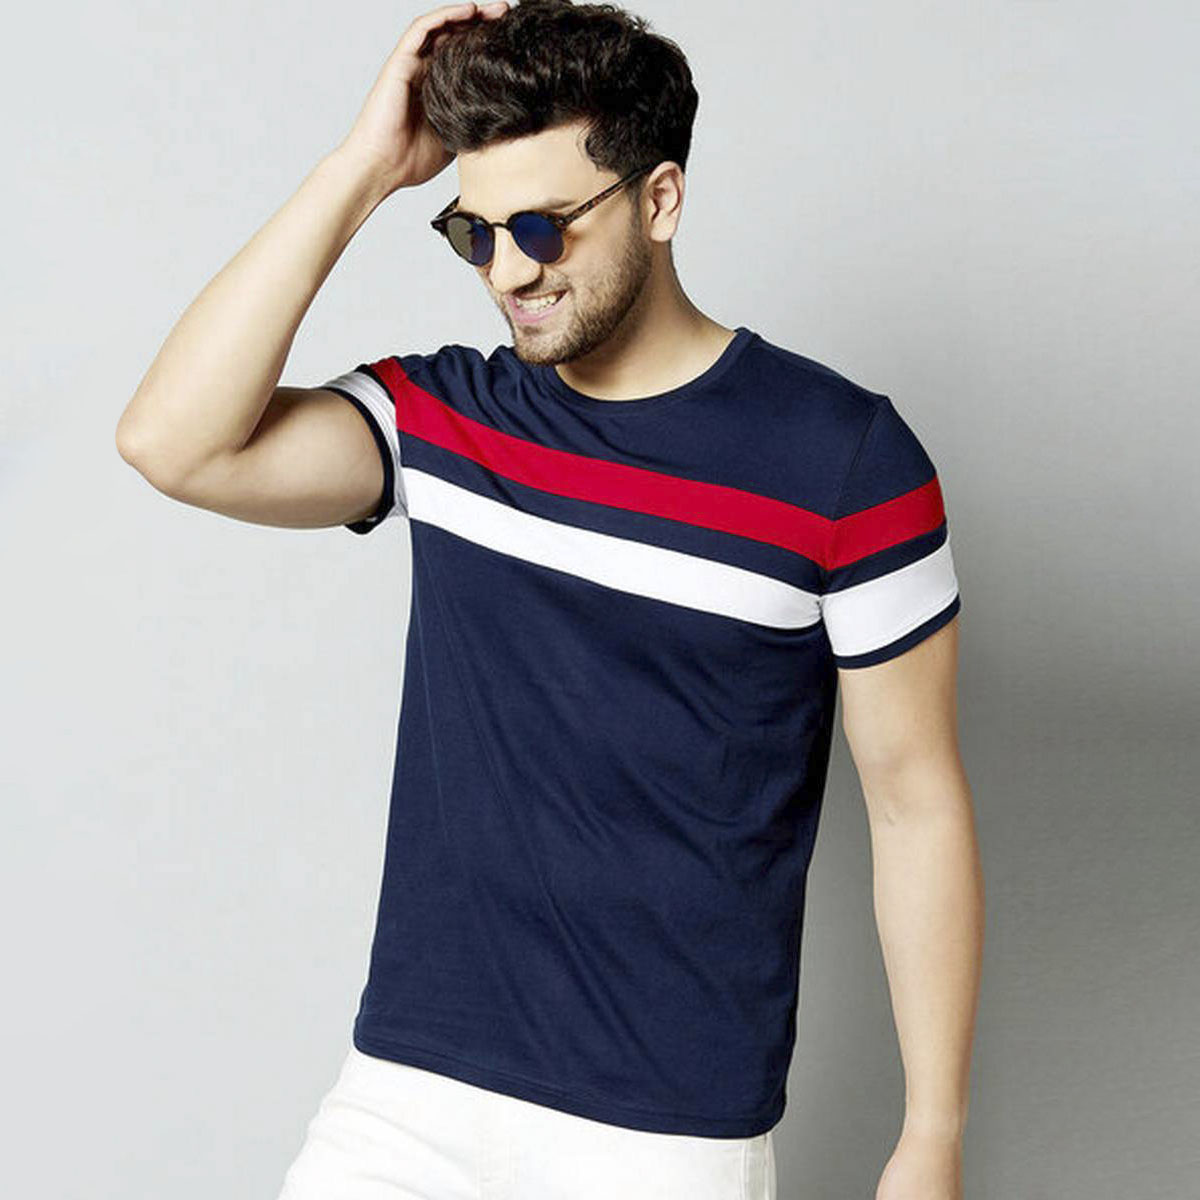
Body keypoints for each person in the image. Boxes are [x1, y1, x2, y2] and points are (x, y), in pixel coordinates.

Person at [115, 1, 983, 1197]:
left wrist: (931, 1135)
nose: (509, 271)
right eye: (474, 233)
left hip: (666, 1134)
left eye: (543, 227)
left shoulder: (844, 462)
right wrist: (363, 169)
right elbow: (173, 444)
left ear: (660, 200)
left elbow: (914, 806)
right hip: (408, 1099)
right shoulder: (447, 422)